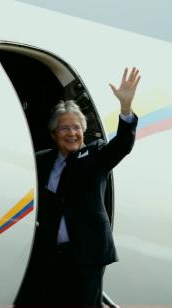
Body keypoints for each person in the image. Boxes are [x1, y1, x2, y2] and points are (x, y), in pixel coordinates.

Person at [14, 67, 141, 306]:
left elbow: (122, 144)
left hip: (85, 255)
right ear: (53, 134)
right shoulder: (40, 161)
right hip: (49, 255)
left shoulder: (96, 155)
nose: (72, 133)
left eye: (76, 128)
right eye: (64, 128)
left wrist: (125, 108)